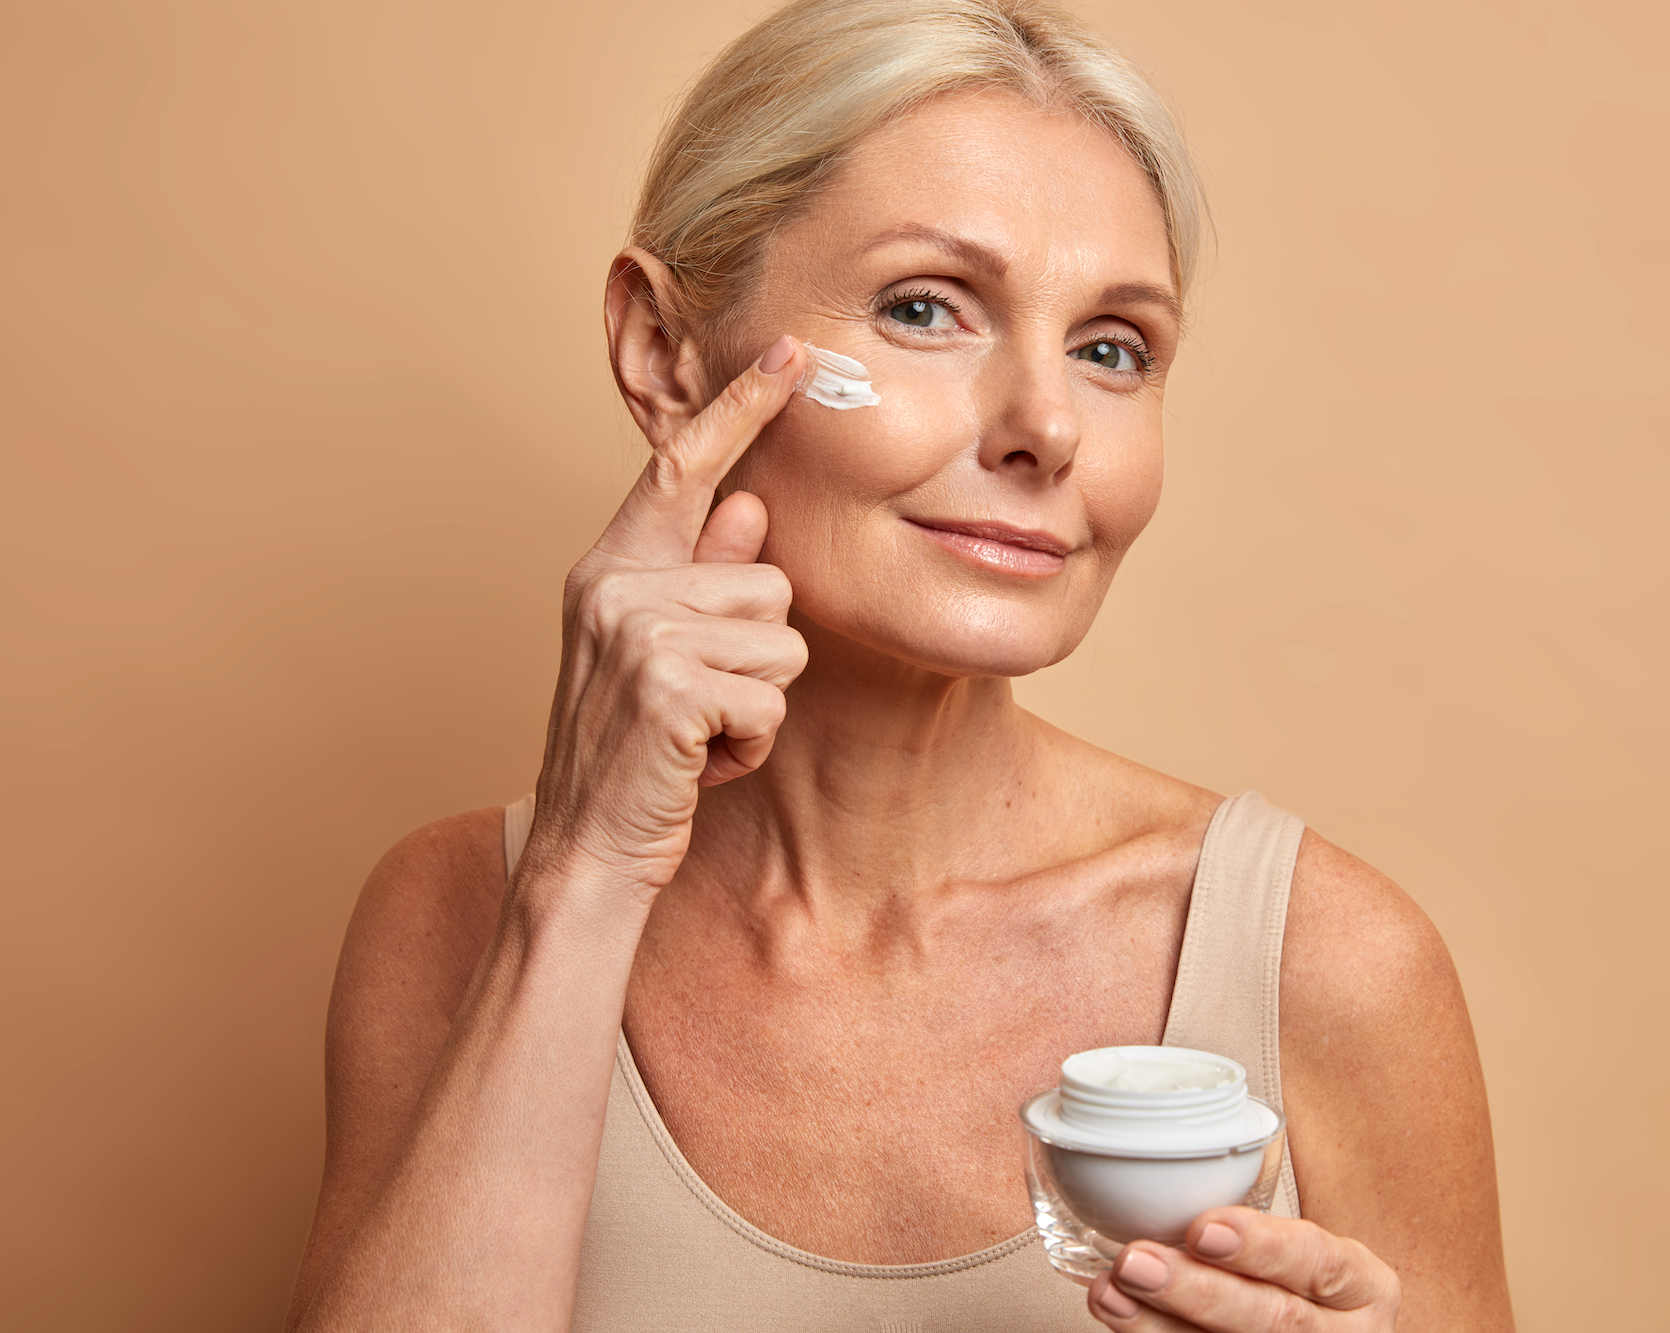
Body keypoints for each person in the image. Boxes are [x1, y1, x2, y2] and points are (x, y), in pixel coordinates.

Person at [284, 2, 1512, 1328]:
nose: (1047, 425)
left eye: (1113, 348)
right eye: (926, 308)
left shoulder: (1329, 965)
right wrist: (583, 882)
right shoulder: (454, 917)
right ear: (664, 353)